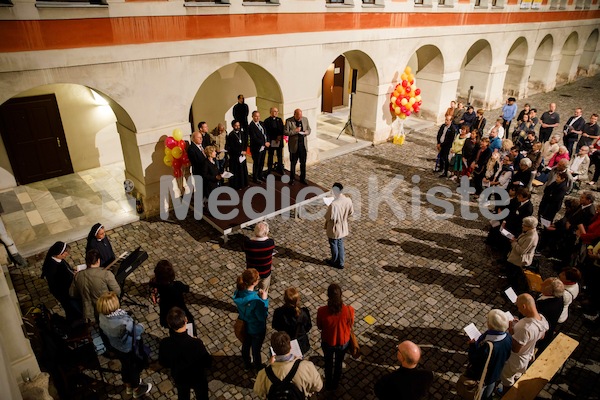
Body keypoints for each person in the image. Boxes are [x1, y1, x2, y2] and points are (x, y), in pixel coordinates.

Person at [97, 292, 153, 397]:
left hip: (115, 346)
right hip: (128, 348)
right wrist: (141, 326)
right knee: (133, 367)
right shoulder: (123, 322)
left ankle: (127, 385)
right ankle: (137, 388)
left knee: (125, 365)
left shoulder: (102, 317)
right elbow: (136, 331)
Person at [159, 307, 212, 400]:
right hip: (197, 377)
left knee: (183, 395)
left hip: (180, 377)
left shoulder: (165, 343)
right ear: (186, 320)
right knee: (202, 396)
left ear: (169, 324)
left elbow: (163, 362)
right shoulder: (196, 343)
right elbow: (207, 362)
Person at [500, 293, 549, 391]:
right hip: (527, 355)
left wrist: (511, 329)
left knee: (507, 377)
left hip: (515, 360)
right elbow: (542, 336)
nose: (519, 310)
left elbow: (515, 349)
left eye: (519, 307)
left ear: (524, 306)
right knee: (517, 374)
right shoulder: (542, 319)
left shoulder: (525, 327)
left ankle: (506, 393)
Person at [253, 331, 323, 399]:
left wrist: (270, 365)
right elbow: (318, 386)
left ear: (273, 350)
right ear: (290, 346)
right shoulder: (307, 366)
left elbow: (258, 392)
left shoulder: (263, 374)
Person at [463, 310, 512, 400]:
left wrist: (472, 345)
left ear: (490, 325)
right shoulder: (508, 338)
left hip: (483, 376)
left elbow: (474, 359)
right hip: (495, 373)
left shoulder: (487, 348)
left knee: (481, 395)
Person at [317, 283, 354, 391]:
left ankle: (328, 383)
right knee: (338, 363)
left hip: (328, 342)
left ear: (328, 296)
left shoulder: (322, 311)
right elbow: (351, 325)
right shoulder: (349, 310)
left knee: (328, 363)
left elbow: (319, 326)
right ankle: (336, 383)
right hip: (343, 342)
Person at [233, 268, 269, 371]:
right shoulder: (256, 300)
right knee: (256, 350)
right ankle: (258, 367)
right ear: (255, 282)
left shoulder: (239, 292)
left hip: (245, 325)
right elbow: (262, 316)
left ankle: (247, 364)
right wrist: (264, 300)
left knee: (246, 345)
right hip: (256, 328)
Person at [71, 249, 121, 322]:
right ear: (98, 261)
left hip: (88, 312)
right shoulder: (106, 274)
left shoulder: (78, 276)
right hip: (105, 309)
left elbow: (72, 293)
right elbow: (117, 291)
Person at [41, 241, 83, 324]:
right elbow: (56, 283)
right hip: (64, 292)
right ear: (58, 254)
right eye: (65, 253)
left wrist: (72, 272)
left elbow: (66, 268)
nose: (66, 255)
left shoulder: (60, 260)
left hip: (69, 287)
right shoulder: (52, 267)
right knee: (70, 307)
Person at [150, 260, 195, 334]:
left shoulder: (157, 285)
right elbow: (186, 289)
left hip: (166, 312)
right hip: (180, 310)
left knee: (173, 329)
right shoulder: (177, 285)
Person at [272, 287, 312, 354]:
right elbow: (308, 327)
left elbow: (275, 326)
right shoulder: (304, 313)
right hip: (301, 342)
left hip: (285, 342)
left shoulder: (278, 312)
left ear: (284, 299)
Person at [324, 182, 354, 269]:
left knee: (333, 243)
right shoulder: (348, 200)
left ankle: (334, 261)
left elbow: (328, 217)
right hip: (343, 226)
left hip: (334, 227)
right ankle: (341, 262)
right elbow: (351, 212)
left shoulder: (334, 204)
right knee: (340, 243)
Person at [505, 216, 539, 291]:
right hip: (515, 257)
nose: (522, 226)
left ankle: (511, 291)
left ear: (530, 227)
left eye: (524, 225)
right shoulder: (528, 232)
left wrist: (513, 242)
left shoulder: (531, 237)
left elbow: (521, 251)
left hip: (518, 260)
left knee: (513, 277)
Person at [243, 221, 275, 291]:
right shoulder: (270, 243)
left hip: (252, 274)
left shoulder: (248, 243)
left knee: (251, 290)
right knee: (264, 291)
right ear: (266, 233)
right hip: (265, 273)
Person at [535, 278, 565, 352]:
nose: (541, 284)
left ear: (549, 292)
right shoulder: (557, 297)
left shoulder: (547, 307)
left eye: (544, 284)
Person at [285, 109, 311, 185]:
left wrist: (307, 132)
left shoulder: (305, 119)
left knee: (303, 163)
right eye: (298, 116)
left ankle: (303, 178)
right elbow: (286, 132)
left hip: (303, 145)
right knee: (293, 163)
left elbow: (309, 129)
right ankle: (292, 179)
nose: (300, 118)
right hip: (294, 146)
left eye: (301, 116)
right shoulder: (289, 121)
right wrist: (295, 131)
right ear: (294, 115)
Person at [225, 120, 249, 190]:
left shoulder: (242, 133)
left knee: (243, 170)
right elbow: (231, 147)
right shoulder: (231, 135)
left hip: (242, 156)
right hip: (235, 156)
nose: (238, 127)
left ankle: (244, 183)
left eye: (238, 125)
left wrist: (244, 150)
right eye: (236, 126)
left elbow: (245, 142)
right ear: (233, 126)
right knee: (237, 171)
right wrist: (240, 152)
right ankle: (237, 186)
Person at [248, 110, 270, 183]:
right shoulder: (251, 126)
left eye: (258, 116)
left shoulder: (261, 123)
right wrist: (264, 143)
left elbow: (265, 133)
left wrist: (268, 141)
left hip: (263, 147)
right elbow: (254, 138)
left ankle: (260, 175)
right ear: (252, 117)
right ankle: (255, 177)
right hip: (256, 148)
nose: (257, 118)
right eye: (256, 116)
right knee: (256, 163)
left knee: (262, 162)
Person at [264, 107, 285, 175]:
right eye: (274, 111)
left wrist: (279, 137)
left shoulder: (279, 120)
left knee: (279, 156)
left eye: (277, 111)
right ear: (271, 112)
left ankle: (280, 169)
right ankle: (269, 169)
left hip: (279, 140)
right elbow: (266, 132)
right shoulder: (267, 121)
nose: (276, 113)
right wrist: (271, 140)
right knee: (270, 156)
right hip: (271, 141)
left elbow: (282, 129)